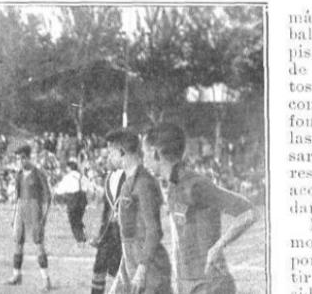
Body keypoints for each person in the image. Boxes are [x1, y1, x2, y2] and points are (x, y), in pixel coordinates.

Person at [144, 124, 256, 294]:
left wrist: (218, 246)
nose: (143, 159)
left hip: (210, 285)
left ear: (155, 153)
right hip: (188, 284)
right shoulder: (173, 185)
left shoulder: (195, 185)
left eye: (144, 153)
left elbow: (249, 212)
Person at [105, 129, 172, 294]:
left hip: (150, 268)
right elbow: (128, 235)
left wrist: (141, 270)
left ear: (122, 152)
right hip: (132, 261)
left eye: (111, 153)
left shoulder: (143, 183)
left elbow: (153, 231)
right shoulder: (128, 183)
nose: (108, 158)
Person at [4, 144, 54, 290]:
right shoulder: (19, 174)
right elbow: (17, 197)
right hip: (21, 209)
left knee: (39, 243)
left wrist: (43, 216)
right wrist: (14, 216)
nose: (20, 161)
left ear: (28, 157)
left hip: (34, 208)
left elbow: (48, 196)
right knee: (18, 242)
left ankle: (46, 280)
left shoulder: (38, 173)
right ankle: (16, 275)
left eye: (22, 158)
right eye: (18, 159)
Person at [89, 148, 126, 294]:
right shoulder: (108, 177)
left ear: (123, 156)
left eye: (113, 154)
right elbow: (104, 208)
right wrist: (98, 232)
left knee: (122, 271)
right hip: (108, 231)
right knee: (99, 266)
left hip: (123, 233)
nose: (108, 158)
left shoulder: (131, 177)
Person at [54, 159, 89, 243]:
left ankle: (80, 239)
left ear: (69, 168)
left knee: (73, 220)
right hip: (82, 199)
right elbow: (88, 188)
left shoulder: (67, 177)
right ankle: (82, 233)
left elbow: (59, 190)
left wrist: (56, 195)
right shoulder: (82, 176)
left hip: (73, 199)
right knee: (78, 218)